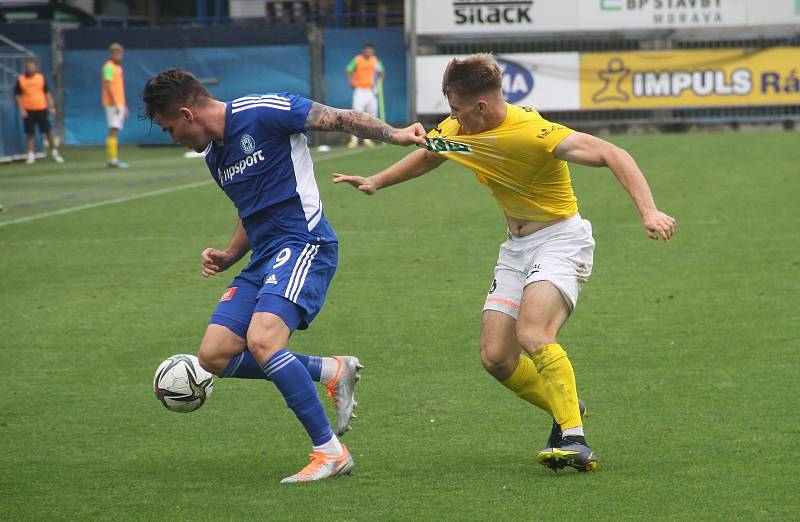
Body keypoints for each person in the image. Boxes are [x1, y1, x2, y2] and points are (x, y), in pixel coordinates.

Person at [334, 54, 676, 473]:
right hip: (516, 248)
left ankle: (575, 439)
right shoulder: (459, 127)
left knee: (533, 332)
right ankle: (566, 403)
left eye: (457, 109)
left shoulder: (535, 133)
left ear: (481, 106)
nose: (450, 118)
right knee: (496, 357)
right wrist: (377, 181)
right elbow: (431, 153)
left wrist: (649, 211)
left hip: (561, 240)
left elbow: (613, 153)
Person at [142, 68, 426, 483]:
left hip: (304, 243)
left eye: (170, 129)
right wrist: (229, 254)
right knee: (214, 355)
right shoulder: (215, 155)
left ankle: (330, 452)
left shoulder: (264, 111)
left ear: (187, 113)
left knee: (262, 340)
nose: (173, 138)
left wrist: (396, 134)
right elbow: (249, 208)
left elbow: (339, 117)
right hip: (264, 258)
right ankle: (330, 370)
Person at [14, 57, 64, 165]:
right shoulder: (21, 80)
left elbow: (47, 93)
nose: (30, 68)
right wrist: (22, 109)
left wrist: (51, 107)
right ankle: (31, 155)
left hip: (41, 109)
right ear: (25, 67)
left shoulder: (40, 78)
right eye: (28, 67)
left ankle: (55, 153)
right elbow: (17, 96)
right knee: (30, 133)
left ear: (35, 67)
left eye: (32, 66)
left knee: (48, 131)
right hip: (28, 110)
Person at [345, 43, 384, 149]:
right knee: (356, 115)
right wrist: (351, 81)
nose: (368, 52)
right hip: (360, 90)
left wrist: (379, 82)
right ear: (363, 51)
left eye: (370, 50)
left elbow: (381, 72)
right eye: (366, 50)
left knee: (372, 115)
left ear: (373, 51)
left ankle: (368, 139)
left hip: (371, 91)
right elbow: (348, 70)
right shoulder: (357, 60)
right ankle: (354, 140)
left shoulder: (375, 61)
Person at [102, 43, 128, 168]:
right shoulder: (108, 66)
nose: (120, 56)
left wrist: (124, 105)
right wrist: (116, 103)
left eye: (121, 54)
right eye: (117, 54)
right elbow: (108, 85)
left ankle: (114, 158)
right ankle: (112, 160)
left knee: (115, 130)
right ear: (112, 54)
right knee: (113, 130)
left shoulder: (118, 67)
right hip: (112, 104)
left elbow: (119, 89)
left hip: (119, 104)